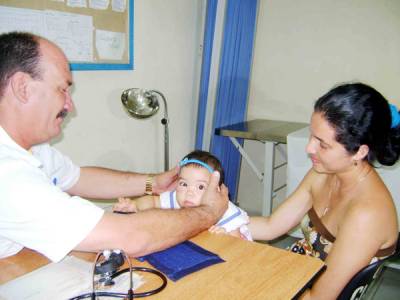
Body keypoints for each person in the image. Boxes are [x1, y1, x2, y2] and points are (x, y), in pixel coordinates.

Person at [0, 31, 228, 263]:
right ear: (22, 87)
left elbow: (78, 178)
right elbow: (130, 237)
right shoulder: (7, 173)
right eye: (62, 89)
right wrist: (208, 212)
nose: (70, 105)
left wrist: (153, 183)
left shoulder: (32, 149)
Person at [247, 82, 400, 299]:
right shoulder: (325, 172)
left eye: (323, 144)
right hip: (294, 276)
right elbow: (271, 226)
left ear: (359, 152)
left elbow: (317, 298)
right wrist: (217, 217)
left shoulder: (367, 214)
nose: (309, 148)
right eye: (312, 135)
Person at [114, 150, 252, 240]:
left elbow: (238, 246)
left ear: (216, 190)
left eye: (200, 186)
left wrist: (225, 237)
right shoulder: (177, 199)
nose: (189, 192)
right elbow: (153, 201)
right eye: (184, 184)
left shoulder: (226, 211)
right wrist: (135, 205)